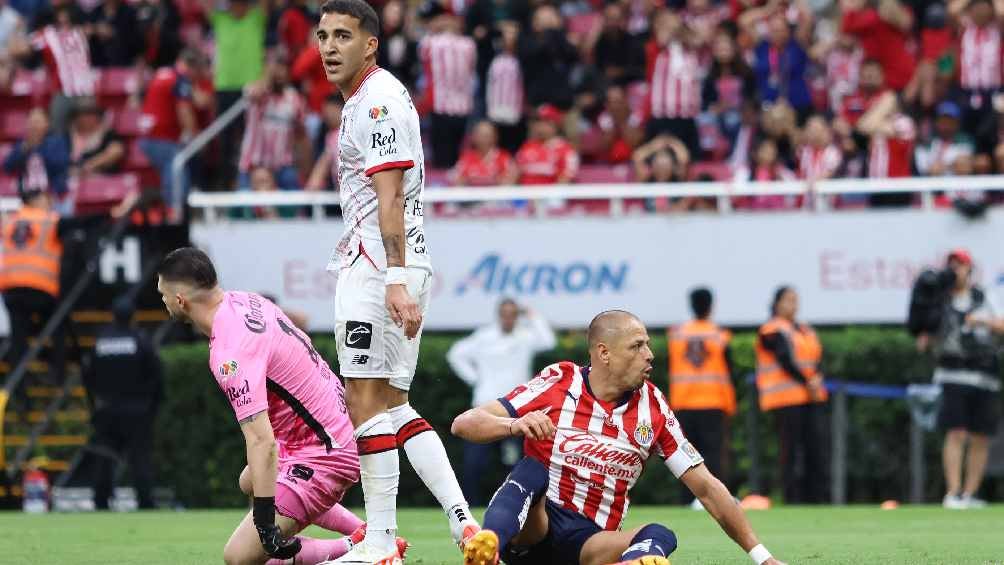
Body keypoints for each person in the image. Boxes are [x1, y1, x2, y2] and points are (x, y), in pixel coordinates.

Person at [315, 1, 478, 562]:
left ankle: (380, 543)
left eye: (342, 35)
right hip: (402, 262)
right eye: (322, 36)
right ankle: (462, 522)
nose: (329, 47)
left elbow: (388, 197)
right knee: (395, 403)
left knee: (363, 403)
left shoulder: (376, 101)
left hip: (378, 267)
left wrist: (394, 279)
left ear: (371, 44)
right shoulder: (369, 97)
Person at [453, 310, 786, 565]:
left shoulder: (653, 407)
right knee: (532, 470)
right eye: (637, 346)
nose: (649, 355)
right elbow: (465, 423)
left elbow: (707, 488)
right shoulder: (560, 380)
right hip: (532, 531)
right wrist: (515, 425)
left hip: (587, 543)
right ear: (604, 353)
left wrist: (763, 557)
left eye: (648, 345)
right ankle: (488, 545)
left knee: (659, 534)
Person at [155, 247, 399, 565]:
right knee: (250, 480)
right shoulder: (247, 301)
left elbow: (261, 440)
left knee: (241, 556)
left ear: (179, 300)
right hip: (333, 425)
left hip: (325, 453)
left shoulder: (231, 352)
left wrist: (265, 523)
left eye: (162, 294)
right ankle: (370, 534)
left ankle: (366, 549)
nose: (160, 300)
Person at [917, 250, 1004, 509]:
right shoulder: (938, 300)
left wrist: (982, 322)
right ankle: (953, 493)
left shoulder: (984, 296)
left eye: (961, 266)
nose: (956, 271)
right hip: (952, 374)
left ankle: (970, 494)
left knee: (981, 436)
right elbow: (922, 336)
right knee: (956, 432)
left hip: (984, 375)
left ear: (969, 269)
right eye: (952, 266)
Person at [446, 299, 556, 505]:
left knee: (513, 462)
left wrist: (532, 314)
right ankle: (467, 504)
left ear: (517, 315)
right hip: (485, 407)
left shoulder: (525, 336)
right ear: (499, 315)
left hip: (516, 409)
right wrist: (475, 379)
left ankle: (511, 503)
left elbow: (548, 341)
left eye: (513, 314)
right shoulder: (484, 336)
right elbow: (455, 355)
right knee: (474, 463)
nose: (508, 318)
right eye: (505, 314)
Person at [82, 297, 162, 511]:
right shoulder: (141, 340)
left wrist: (95, 405)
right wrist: (152, 407)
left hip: (107, 409)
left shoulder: (101, 342)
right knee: (140, 458)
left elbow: (88, 377)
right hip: (137, 410)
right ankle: (145, 502)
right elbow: (156, 377)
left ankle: (100, 501)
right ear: (133, 316)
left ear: (113, 316)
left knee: (104, 456)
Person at [755, 286, 829, 504]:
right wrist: (809, 381)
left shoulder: (805, 330)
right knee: (791, 452)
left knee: (815, 451)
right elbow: (784, 359)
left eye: (795, 300)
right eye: (788, 300)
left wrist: (816, 378)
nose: (793, 304)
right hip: (786, 399)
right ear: (777, 303)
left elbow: (817, 358)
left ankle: (816, 499)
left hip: (811, 397)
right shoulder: (771, 330)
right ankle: (793, 499)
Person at [667, 288, 736, 509]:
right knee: (713, 453)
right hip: (713, 401)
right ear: (711, 305)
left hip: (684, 402)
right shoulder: (720, 334)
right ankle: (716, 500)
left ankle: (687, 500)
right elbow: (729, 370)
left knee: (683, 455)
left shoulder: (676, 334)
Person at [140, 48, 209, 209]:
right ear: (193, 67)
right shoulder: (180, 79)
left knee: (176, 169)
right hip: (163, 139)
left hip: (149, 136)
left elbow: (200, 101)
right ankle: (175, 215)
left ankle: (173, 210)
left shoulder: (163, 73)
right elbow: (184, 110)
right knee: (178, 179)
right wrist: (196, 136)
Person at [418, 2, 476, 169]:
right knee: (445, 156)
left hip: (458, 106)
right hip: (441, 107)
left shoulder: (467, 44)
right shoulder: (430, 43)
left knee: (454, 157)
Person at [2, 108, 72, 215]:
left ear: (47, 124)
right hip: (25, 195)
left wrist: (38, 146)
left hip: (52, 194)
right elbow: (7, 167)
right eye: (31, 122)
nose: (34, 125)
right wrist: (24, 149)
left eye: (38, 122)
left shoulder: (57, 142)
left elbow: (60, 165)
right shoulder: (22, 144)